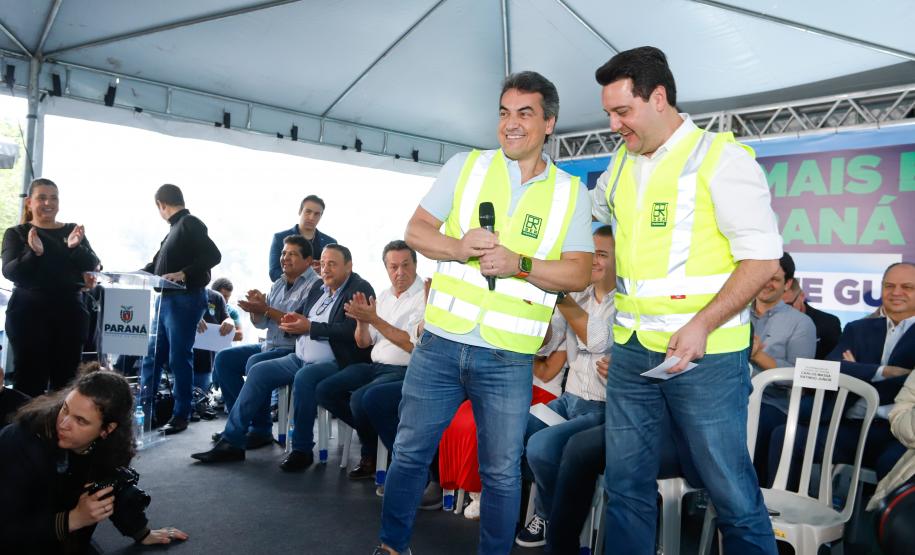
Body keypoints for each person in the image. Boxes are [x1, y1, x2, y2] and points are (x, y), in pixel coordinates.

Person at [374, 70, 593, 555]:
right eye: (504, 113)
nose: (511, 124)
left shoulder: (570, 192)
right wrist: (455, 247)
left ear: (549, 123)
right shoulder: (465, 166)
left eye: (525, 113)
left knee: (499, 471)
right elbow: (415, 232)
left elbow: (578, 274)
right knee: (409, 453)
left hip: (509, 357)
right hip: (440, 345)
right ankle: (391, 547)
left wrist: (522, 264)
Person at [591, 46, 781, 555]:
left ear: (659, 98)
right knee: (625, 486)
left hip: (706, 356)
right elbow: (587, 212)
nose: (613, 124)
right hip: (632, 352)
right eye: (609, 113)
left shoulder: (721, 159)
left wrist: (702, 324)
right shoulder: (621, 161)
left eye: (622, 111)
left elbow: (762, 261)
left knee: (731, 492)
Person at [192, 244, 373, 470]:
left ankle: (302, 449)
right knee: (258, 370)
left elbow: (350, 330)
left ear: (349, 266)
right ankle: (232, 441)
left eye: (332, 264)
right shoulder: (319, 287)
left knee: (305, 377)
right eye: (324, 264)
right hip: (299, 356)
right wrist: (278, 316)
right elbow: (298, 316)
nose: (325, 269)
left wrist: (310, 327)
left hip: (337, 361)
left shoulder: (358, 288)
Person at [0, 364, 187, 552]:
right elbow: (7, 530)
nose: (63, 423)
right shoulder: (20, 442)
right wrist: (73, 519)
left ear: (107, 430)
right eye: (65, 409)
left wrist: (142, 532)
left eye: (80, 421)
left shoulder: (111, 447)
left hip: (64, 538)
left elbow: (112, 490)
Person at [769, 262, 915, 484]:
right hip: (849, 426)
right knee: (786, 436)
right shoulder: (858, 329)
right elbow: (824, 371)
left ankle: (881, 520)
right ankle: (780, 513)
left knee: (894, 465)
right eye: (889, 285)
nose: (896, 292)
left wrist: (855, 373)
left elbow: (910, 384)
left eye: (907, 287)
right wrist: (883, 372)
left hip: (898, 433)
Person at [516, 225, 616, 548]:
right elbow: (547, 342)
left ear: (620, 259)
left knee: (542, 447)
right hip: (568, 400)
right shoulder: (579, 295)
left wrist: (557, 291)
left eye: (602, 254)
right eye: (591, 254)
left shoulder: (626, 304)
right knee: (514, 429)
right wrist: (533, 318)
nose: (594, 261)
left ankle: (554, 518)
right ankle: (560, 511)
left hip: (602, 409)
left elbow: (596, 338)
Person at [316, 240, 425, 479]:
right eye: (393, 267)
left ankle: (385, 458)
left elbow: (409, 342)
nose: (399, 272)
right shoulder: (384, 296)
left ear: (416, 265)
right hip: (376, 366)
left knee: (361, 399)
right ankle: (374, 440)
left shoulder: (425, 295)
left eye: (405, 265)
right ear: (386, 268)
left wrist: (373, 319)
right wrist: (363, 322)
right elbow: (364, 342)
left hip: (405, 369)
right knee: (326, 390)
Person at [211, 235, 318, 445]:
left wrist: (266, 309)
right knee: (224, 359)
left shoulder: (315, 286)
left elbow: (298, 324)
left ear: (307, 260)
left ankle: (259, 429)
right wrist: (256, 309)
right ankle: (246, 424)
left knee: (256, 362)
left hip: (293, 350)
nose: (285, 258)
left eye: (292, 254)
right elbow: (262, 324)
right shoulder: (278, 283)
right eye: (283, 253)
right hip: (268, 345)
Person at [2, 178, 100, 396]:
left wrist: (75, 248)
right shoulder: (17, 233)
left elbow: (94, 265)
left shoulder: (73, 231)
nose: (49, 203)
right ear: (29, 202)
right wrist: (33, 252)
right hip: (28, 315)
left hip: (69, 315)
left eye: (53, 198)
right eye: (42, 198)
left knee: (66, 382)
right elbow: (10, 271)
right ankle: (27, 429)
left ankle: (62, 428)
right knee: (28, 379)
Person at [139, 184, 222, 435]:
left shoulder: (189, 223)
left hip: (184, 298)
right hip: (166, 300)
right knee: (153, 357)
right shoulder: (173, 231)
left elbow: (213, 255)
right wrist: (130, 275)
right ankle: (145, 410)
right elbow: (155, 266)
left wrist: (184, 273)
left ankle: (181, 413)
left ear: (161, 205)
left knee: (178, 357)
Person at [749, 253, 816, 485]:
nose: (766, 283)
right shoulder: (733, 315)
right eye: (761, 276)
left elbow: (802, 377)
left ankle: (751, 499)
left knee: (753, 421)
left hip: (772, 403)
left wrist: (758, 356)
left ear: (788, 284)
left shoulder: (801, 323)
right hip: (726, 396)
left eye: (775, 279)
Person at [780, 253, 842, 359]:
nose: (782, 310)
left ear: (802, 296)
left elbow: (832, 364)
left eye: (788, 305)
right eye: (777, 306)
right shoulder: (767, 320)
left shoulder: (828, 323)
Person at [269, 195, 336, 280]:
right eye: (308, 211)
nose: (311, 217)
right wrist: (307, 274)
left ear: (321, 216)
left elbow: (335, 274)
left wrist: (323, 270)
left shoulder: (330, 243)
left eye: (316, 214)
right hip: (288, 291)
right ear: (300, 211)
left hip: (319, 291)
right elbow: (274, 273)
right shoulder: (279, 238)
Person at [212, 277, 243, 342]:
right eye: (223, 296)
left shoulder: (232, 312)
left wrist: (211, 333)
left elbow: (240, 335)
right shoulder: (202, 306)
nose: (226, 300)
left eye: (228, 297)